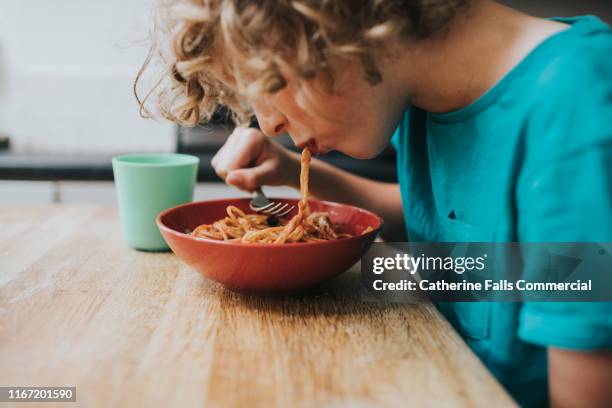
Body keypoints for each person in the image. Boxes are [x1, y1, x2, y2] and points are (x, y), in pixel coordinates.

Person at [136, 0, 612, 406]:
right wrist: (295, 172)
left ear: (341, 24)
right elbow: (457, 224)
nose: (268, 124)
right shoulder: (421, 96)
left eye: (270, 79)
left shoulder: (575, 106)